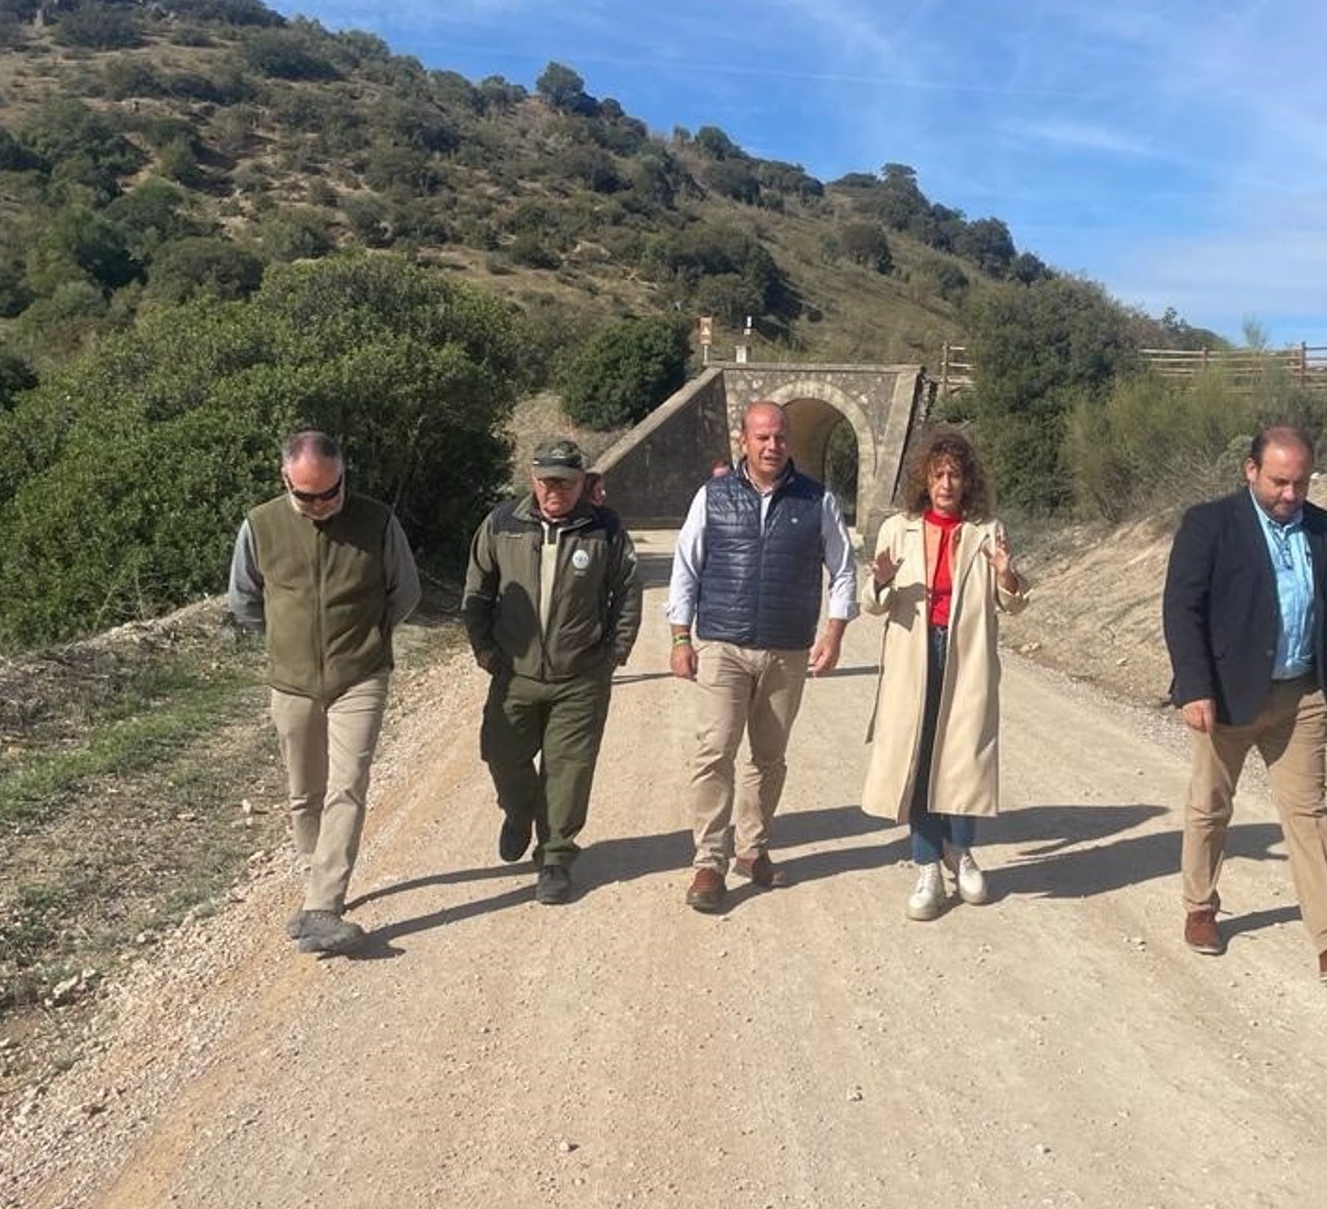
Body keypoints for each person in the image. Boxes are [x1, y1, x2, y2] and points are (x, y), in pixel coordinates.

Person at [1161, 425, 1327, 987]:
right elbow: (1181, 608)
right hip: (1225, 695)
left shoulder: (1325, 528)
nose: (1290, 495)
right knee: (1211, 804)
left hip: (1302, 694)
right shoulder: (1210, 525)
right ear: (1250, 470)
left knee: (1309, 812)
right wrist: (1194, 685)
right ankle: (1200, 906)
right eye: (1279, 482)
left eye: (1300, 482)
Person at [228, 430, 421, 954]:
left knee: (348, 782)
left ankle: (324, 902)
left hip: (360, 674)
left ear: (344, 476)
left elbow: (405, 591)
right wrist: (282, 641)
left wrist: (370, 639)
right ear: (284, 479)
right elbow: (244, 600)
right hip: (291, 680)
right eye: (306, 495)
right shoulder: (260, 525)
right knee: (304, 791)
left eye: (330, 492)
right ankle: (316, 870)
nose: (320, 503)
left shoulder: (378, 521)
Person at [667, 401, 858, 913]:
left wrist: (834, 632)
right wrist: (680, 638)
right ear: (743, 440)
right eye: (762, 438)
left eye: (779, 437)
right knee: (715, 752)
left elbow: (843, 570)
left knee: (768, 759)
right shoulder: (713, 496)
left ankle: (752, 851)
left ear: (789, 441)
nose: (772, 446)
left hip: (787, 650)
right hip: (723, 647)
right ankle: (709, 861)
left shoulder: (817, 501)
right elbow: (686, 566)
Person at [463, 440, 642, 904]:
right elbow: (477, 592)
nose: (554, 489)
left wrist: (614, 653)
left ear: (583, 482)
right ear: (533, 479)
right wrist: (484, 649)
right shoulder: (502, 524)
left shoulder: (603, 528)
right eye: (546, 480)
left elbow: (627, 592)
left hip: (580, 677)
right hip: (514, 673)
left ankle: (556, 858)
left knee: (568, 770)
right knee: (502, 755)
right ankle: (519, 815)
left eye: (565, 480)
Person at [859, 428, 1027, 920]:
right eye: (938, 475)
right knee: (919, 754)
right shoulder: (899, 529)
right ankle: (928, 864)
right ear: (924, 480)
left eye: (955, 474)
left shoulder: (987, 531)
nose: (947, 483)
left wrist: (1006, 574)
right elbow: (872, 604)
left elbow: (1012, 603)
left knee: (963, 757)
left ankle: (964, 852)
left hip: (966, 658)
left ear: (967, 480)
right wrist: (882, 581)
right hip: (914, 657)